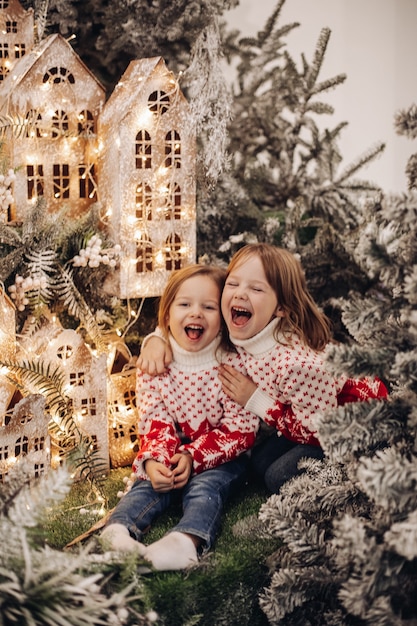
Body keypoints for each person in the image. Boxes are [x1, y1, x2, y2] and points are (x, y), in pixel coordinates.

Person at [138, 244, 388, 494]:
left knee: (277, 477)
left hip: (353, 426)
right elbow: (192, 314)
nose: (240, 295)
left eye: (256, 288)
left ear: (281, 307)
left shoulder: (295, 366)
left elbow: (321, 430)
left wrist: (256, 400)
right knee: (258, 464)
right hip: (305, 415)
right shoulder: (247, 326)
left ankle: (358, 471)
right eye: (233, 284)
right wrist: (156, 339)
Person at [101, 264, 259, 570]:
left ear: (224, 317)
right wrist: (155, 460)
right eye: (185, 304)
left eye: (209, 307)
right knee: (148, 484)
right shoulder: (156, 363)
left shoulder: (233, 364)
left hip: (223, 456)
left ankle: (185, 542)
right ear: (167, 315)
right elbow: (154, 419)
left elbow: (241, 430)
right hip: (171, 452)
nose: (196, 313)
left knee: (205, 489)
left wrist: (193, 456)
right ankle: (118, 531)